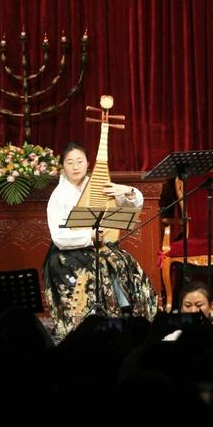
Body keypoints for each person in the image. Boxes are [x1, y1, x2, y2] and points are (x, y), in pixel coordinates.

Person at [42, 142, 158, 338]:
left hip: (100, 246)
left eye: (80, 161)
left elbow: (133, 204)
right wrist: (89, 236)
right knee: (102, 267)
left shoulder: (97, 186)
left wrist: (127, 191)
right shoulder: (58, 195)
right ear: (63, 166)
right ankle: (97, 325)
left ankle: (130, 315)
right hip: (68, 252)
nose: (76, 166)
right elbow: (59, 237)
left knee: (124, 262)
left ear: (88, 163)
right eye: (70, 162)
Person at [164, 280, 213, 362]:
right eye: (188, 305)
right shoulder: (171, 335)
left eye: (199, 305)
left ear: (211, 306)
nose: (193, 310)